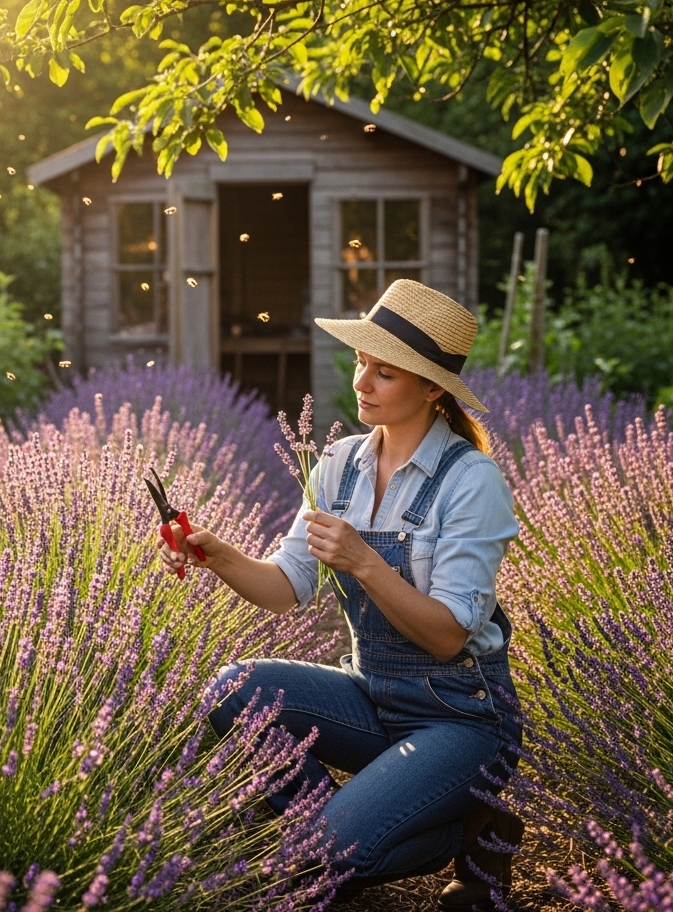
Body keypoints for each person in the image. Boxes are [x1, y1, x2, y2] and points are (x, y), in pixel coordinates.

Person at [156, 280, 524, 910]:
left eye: (385, 372)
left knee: (319, 857)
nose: (362, 382)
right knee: (233, 691)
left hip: (461, 718)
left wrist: (365, 562)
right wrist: (216, 555)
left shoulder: (471, 481)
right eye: (360, 363)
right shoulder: (339, 464)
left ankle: (467, 829)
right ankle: (364, 834)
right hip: (373, 696)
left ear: (433, 387)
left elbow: (448, 635)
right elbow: (285, 587)